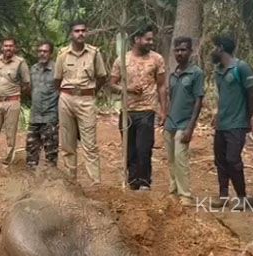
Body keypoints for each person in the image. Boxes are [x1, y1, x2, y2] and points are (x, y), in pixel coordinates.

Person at [110, 25, 168, 191]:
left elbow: (162, 86)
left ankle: (144, 182)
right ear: (137, 39)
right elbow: (112, 84)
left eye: (151, 38)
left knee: (144, 148)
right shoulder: (122, 59)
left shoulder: (157, 59)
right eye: (147, 39)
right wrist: (127, 89)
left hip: (147, 110)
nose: (151, 42)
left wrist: (163, 110)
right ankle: (133, 181)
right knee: (130, 150)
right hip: (127, 111)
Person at [53, 20, 108, 183]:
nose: (80, 34)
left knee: (90, 144)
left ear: (87, 33)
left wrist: (90, 92)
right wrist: (66, 94)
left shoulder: (94, 53)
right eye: (77, 31)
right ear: (71, 34)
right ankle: (71, 182)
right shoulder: (62, 54)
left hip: (86, 100)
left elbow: (102, 77)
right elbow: (57, 79)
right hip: (66, 99)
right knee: (67, 144)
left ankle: (95, 182)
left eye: (83, 31)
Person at [210, 35, 253, 208]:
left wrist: (247, 117)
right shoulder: (218, 71)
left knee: (233, 159)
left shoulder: (242, 68)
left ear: (221, 48)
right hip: (222, 124)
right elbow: (222, 97)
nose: (212, 51)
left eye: (214, 47)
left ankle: (242, 197)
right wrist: (217, 115)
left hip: (237, 124)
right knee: (220, 160)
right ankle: (223, 196)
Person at [164, 36, 204, 206]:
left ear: (190, 51)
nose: (180, 53)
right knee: (171, 159)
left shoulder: (196, 73)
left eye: (183, 50)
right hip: (170, 122)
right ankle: (173, 191)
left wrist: (190, 127)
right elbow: (171, 98)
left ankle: (185, 195)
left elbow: (198, 101)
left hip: (184, 123)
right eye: (177, 50)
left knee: (181, 158)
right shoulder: (173, 74)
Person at [0, 37, 30, 171]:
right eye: (6, 46)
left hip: (13, 102)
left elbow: (27, 83)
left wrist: (15, 94)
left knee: (10, 135)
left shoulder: (20, 63)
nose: (8, 48)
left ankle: (6, 163)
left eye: (11, 46)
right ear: (2, 47)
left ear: (15, 48)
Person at [26, 41, 59, 168]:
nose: (42, 54)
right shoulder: (33, 69)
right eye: (40, 51)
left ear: (50, 53)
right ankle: (32, 183)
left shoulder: (57, 70)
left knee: (51, 154)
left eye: (45, 51)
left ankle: (50, 184)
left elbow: (61, 91)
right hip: (34, 117)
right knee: (31, 152)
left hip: (50, 118)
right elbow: (30, 90)